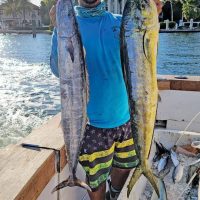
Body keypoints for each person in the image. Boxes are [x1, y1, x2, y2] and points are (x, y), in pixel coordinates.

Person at [49, 1, 162, 200]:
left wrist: (153, 15)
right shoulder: (68, 25)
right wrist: (58, 28)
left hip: (128, 120)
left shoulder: (123, 23)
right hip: (91, 126)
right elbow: (59, 70)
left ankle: (114, 195)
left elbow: (144, 55)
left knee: (124, 167)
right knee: (96, 181)